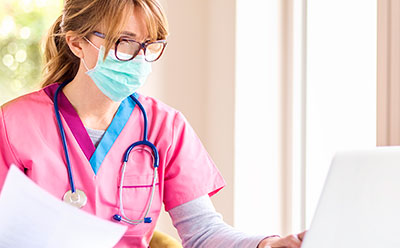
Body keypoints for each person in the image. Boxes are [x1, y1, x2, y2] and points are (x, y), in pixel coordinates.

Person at [0, 0, 305, 247]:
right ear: (77, 43)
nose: (139, 59)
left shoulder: (164, 127)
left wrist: (266, 245)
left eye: (150, 45)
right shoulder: (13, 124)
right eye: (125, 43)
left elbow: (202, 233)